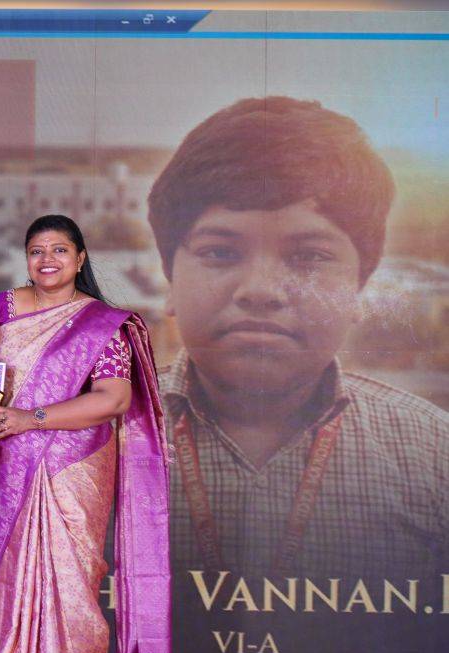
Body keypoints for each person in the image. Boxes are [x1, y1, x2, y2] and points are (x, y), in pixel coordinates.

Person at [147, 96, 448, 578]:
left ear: (359, 288)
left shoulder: (434, 454)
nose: (261, 290)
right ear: (169, 281)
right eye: (220, 252)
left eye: (309, 257)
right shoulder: (86, 445)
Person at [0, 215, 172, 653]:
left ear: (79, 259)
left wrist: (30, 419)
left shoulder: (103, 323)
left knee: (71, 591)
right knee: (8, 587)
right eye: (37, 250)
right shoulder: (1, 308)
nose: (47, 259)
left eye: (59, 250)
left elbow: (114, 399)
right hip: (5, 467)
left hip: (72, 471)